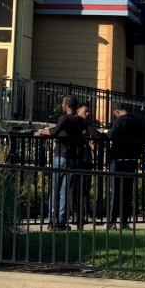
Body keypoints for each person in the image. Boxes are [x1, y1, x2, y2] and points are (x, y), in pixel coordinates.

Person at [34, 95, 85, 229]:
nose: (62, 106)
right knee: (64, 191)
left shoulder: (64, 118)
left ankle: (52, 220)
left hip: (60, 156)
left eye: (63, 103)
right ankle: (61, 221)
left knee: (55, 189)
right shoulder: (79, 121)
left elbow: (55, 130)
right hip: (73, 158)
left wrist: (40, 132)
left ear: (67, 105)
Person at [106, 103, 145, 229]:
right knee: (127, 192)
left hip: (118, 158)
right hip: (132, 160)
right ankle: (124, 221)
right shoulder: (138, 122)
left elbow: (110, 135)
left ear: (117, 112)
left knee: (115, 191)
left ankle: (112, 221)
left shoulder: (119, 122)